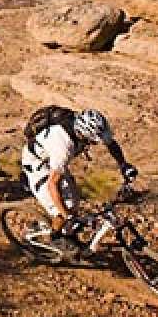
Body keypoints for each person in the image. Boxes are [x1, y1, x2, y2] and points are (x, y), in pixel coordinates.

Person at [20, 107, 138, 255]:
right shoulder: (63, 147)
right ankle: (55, 237)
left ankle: (64, 229)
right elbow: (52, 185)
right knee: (64, 208)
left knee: (74, 202)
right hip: (38, 166)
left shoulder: (85, 126)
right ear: (83, 135)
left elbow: (111, 143)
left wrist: (123, 165)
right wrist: (67, 216)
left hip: (51, 160)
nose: (95, 143)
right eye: (93, 141)